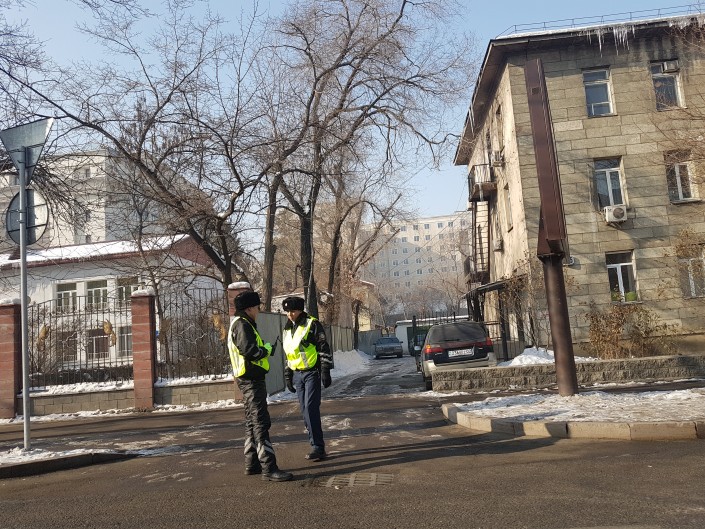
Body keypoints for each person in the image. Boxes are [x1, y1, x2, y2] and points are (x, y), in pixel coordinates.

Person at [228, 290, 293, 482]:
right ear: (249, 308)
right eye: (257, 307)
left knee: (251, 421)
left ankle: (252, 463)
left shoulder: (240, 323)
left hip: (247, 378)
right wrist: (265, 350)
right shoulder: (242, 324)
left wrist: (263, 349)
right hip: (251, 379)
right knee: (260, 422)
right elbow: (250, 351)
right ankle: (269, 468)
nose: (258, 310)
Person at [281, 296, 333, 462]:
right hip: (298, 374)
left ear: (300, 310)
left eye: (293, 311)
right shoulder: (288, 329)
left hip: (312, 373)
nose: (290, 314)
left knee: (311, 409)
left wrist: (325, 371)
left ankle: (318, 447)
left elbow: (323, 348)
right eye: (287, 312)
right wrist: (288, 375)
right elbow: (290, 354)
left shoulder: (312, 324)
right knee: (305, 411)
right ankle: (314, 444)